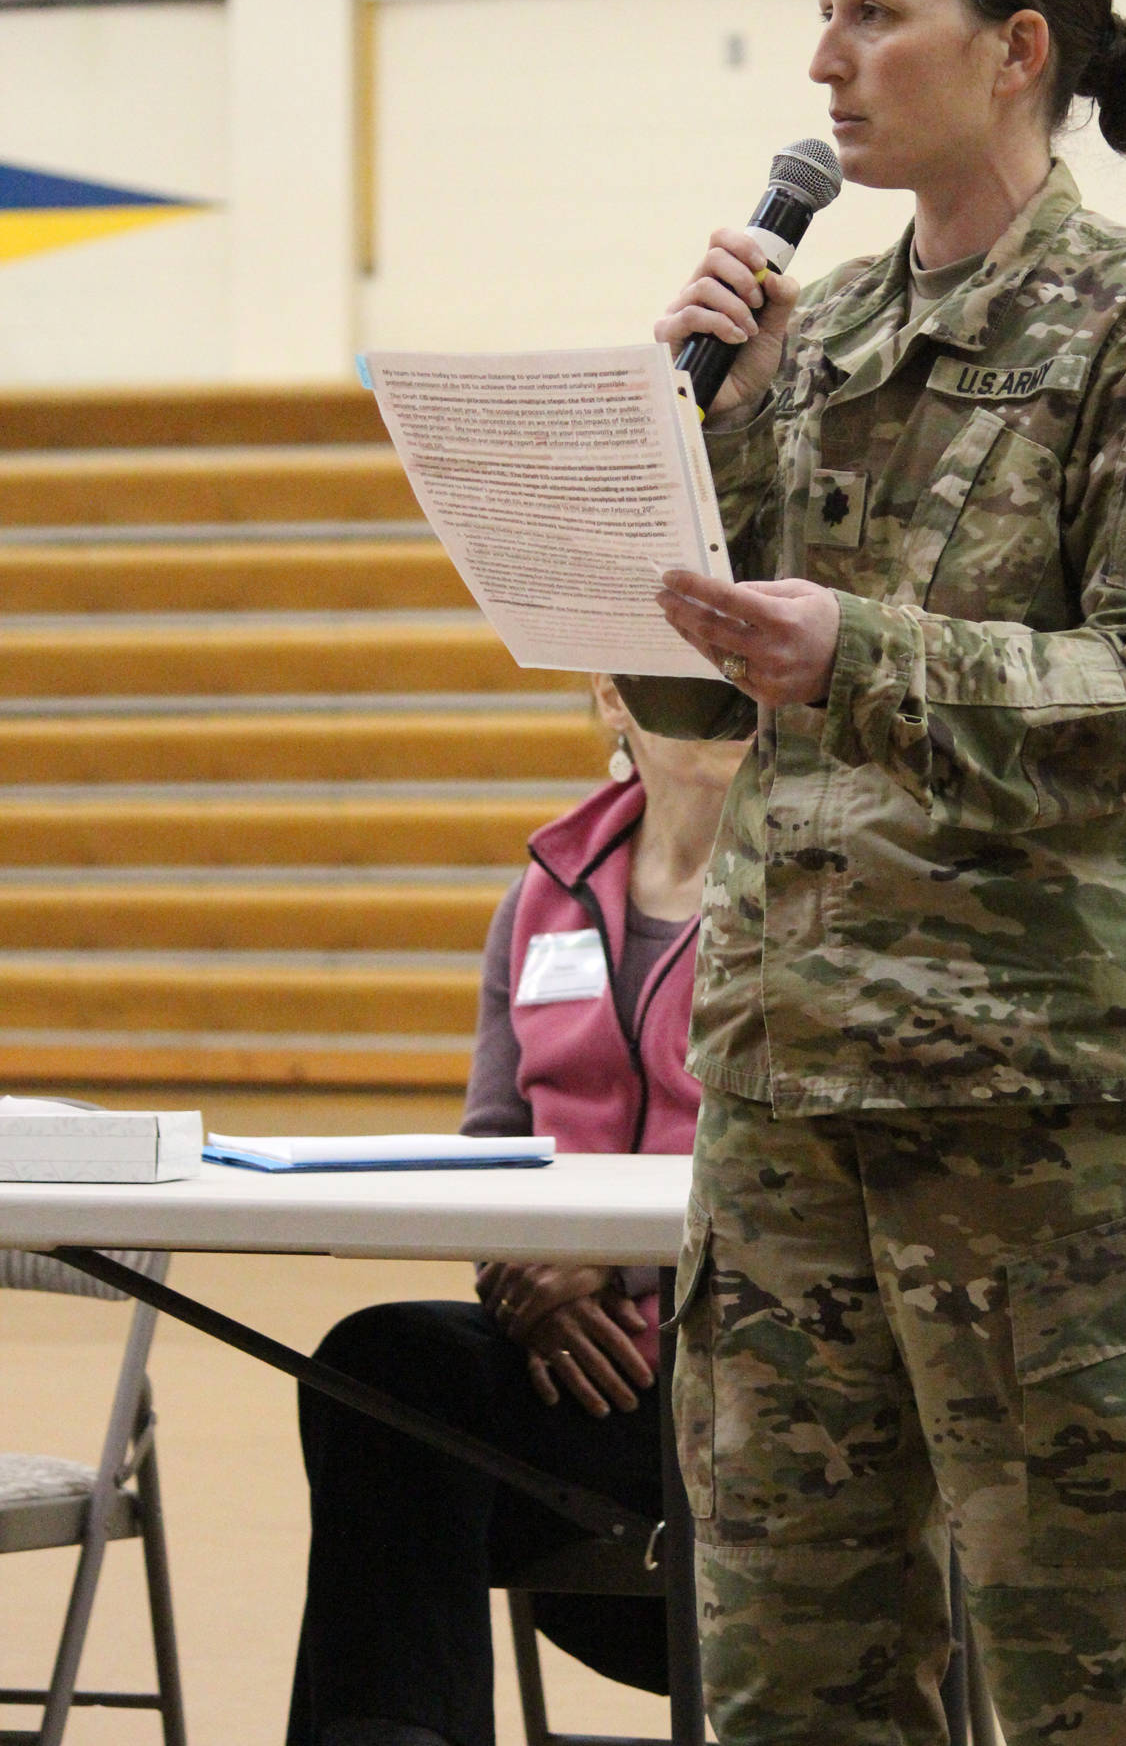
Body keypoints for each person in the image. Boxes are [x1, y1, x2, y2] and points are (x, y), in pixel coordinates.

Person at [620, 0, 1126, 1746]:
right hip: (786, 1093)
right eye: (821, 10)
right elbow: (693, 687)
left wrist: (869, 653)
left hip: (1039, 1111)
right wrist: (692, 437)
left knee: (1097, 1672)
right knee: (787, 1678)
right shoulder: (806, 340)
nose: (823, 61)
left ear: (1012, 51)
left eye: (869, 12)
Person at [284, 676, 747, 1746]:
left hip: (748, 1391)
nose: (718, 702)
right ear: (610, 697)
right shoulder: (546, 889)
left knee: (407, 1407)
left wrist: (612, 1266)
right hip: (578, 1383)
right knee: (380, 1370)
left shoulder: (821, 893)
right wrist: (520, 1272)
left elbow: (816, 1167)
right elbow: (489, 1150)